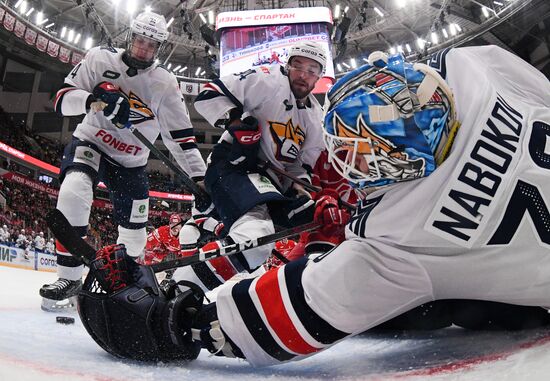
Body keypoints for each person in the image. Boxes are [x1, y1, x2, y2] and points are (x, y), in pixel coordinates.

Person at [69, 45, 550, 365]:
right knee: (257, 236)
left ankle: (182, 280)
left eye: (360, 154)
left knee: (268, 244)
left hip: (275, 181)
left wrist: (178, 325)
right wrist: (239, 122)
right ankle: (187, 271)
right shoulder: (478, 68)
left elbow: (297, 309)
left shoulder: (400, 239)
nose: (348, 158)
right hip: (242, 166)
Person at [39, 11, 206, 309]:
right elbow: (62, 99)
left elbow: (180, 137)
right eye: (140, 40)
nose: (143, 48)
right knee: (73, 190)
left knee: (135, 236)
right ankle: (69, 277)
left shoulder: (165, 83)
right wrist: (91, 100)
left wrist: (199, 178)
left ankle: (125, 289)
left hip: (131, 162)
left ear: (159, 48)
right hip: (91, 141)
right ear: (130, 37)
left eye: (151, 44)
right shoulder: (99, 58)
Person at [177, 40, 332, 292]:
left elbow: (300, 166)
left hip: (270, 186)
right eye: (298, 65)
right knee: (256, 237)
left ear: (319, 77)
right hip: (234, 167)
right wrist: (234, 119)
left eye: (312, 70)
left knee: (319, 219)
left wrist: (299, 184)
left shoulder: (315, 118)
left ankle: (317, 291)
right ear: (287, 65)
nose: (303, 75)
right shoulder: (267, 79)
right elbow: (209, 93)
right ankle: (179, 291)